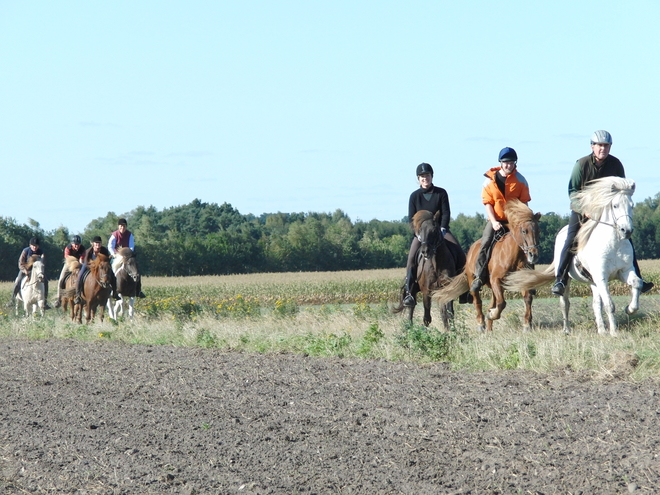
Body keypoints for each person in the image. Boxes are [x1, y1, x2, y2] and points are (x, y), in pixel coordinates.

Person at [551, 130, 654, 295]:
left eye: (606, 146)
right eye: (599, 145)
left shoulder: (616, 164)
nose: (603, 149)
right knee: (571, 238)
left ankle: (639, 281)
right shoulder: (581, 164)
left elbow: (622, 189)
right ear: (592, 146)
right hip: (583, 209)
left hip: (608, 211)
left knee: (627, 238)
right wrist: (585, 210)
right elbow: (572, 191)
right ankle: (561, 280)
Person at [403, 162, 466, 307]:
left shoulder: (441, 193)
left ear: (432, 176)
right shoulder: (414, 196)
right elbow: (411, 218)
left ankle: (464, 291)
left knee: (459, 252)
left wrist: (443, 228)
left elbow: (446, 213)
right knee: (411, 259)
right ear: (418, 179)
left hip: (439, 232)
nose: (425, 178)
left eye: (427, 175)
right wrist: (417, 233)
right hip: (421, 235)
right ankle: (409, 293)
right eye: (422, 176)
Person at [471, 147, 532, 292]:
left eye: (511, 162)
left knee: (529, 241)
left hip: (514, 222)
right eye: (506, 162)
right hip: (496, 220)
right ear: (500, 163)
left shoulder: (521, 180)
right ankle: (479, 276)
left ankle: (530, 280)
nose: (508, 165)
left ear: (515, 163)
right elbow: (487, 203)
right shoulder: (489, 181)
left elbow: (524, 203)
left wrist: (523, 220)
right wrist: (493, 221)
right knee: (485, 242)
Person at [74, 236, 120, 305]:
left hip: (101, 267)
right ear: (93, 244)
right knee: (80, 276)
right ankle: (78, 295)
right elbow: (86, 261)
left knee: (113, 276)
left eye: (99, 243)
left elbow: (107, 260)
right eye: (96, 243)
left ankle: (115, 293)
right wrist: (92, 265)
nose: (98, 245)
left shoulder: (104, 250)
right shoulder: (88, 251)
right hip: (88, 265)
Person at [9, 237, 51, 309]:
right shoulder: (25, 251)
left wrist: (40, 271)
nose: (35, 247)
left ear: (38, 246)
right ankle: (12, 300)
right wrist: (25, 271)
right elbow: (20, 263)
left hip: (37, 271)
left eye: (36, 246)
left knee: (46, 281)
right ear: (30, 245)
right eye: (33, 246)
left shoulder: (41, 252)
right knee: (18, 281)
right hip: (25, 270)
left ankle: (45, 302)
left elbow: (43, 263)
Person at [108, 218, 145, 298]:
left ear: (126, 226)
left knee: (136, 270)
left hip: (127, 256)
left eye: (124, 226)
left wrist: (128, 254)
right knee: (110, 268)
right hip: (116, 255)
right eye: (121, 226)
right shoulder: (114, 235)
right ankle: (111, 289)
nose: (122, 228)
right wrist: (113, 254)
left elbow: (131, 246)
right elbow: (110, 246)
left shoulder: (130, 234)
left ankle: (138, 290)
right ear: (118, 226)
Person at [53, 235, 87, 308]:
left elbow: (81, 260)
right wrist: (74, 263)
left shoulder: (83, 249)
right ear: (72, 244)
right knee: (61, 279)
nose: (77, 246)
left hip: (79, 264)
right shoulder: (67, 248)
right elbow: (67, 258)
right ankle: (58, 299)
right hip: (69, 264)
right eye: (75, 244)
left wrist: (79, 264)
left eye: (78, 244)